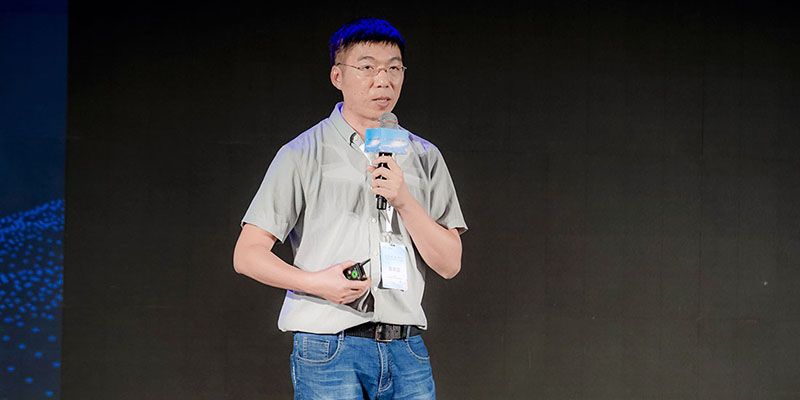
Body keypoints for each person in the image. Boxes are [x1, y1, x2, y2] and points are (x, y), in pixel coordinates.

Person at [233, 17, 467, 400]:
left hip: (405, 348)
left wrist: (404, 200)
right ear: (337, 76)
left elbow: (449, 263)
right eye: (368, 67)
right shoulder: (301, 154)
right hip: (329, 346)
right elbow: (247, 254)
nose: (383, 80)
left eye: (394, 68)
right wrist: (317, 282)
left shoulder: (424, 156)